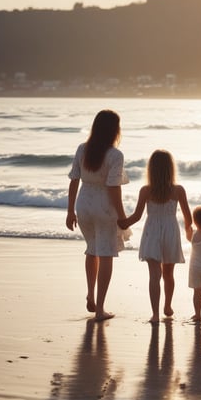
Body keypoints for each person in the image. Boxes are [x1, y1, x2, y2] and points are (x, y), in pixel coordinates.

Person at [66, 109, 129, 322]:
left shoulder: (82, 149)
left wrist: (70, 211)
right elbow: (113, 188)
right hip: (104, 206)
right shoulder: (115, 155)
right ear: (114, 130)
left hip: (83, 204)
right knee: (106, 253)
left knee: (91, 250)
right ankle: (100, 308)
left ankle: (90, 293)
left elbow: (74, 179)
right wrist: (122, 215)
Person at [118, 150, 192, 324]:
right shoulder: (178, 190)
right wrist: (191, 233)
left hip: (152, 231)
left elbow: (136, 216)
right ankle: (167, 306)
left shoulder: (146, 190)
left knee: (154, 275)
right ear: (171, 169)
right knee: (168, 273)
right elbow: (188, 218)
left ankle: (155, 314)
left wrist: (122, 223)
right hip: (171, 230)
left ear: (150, 169)